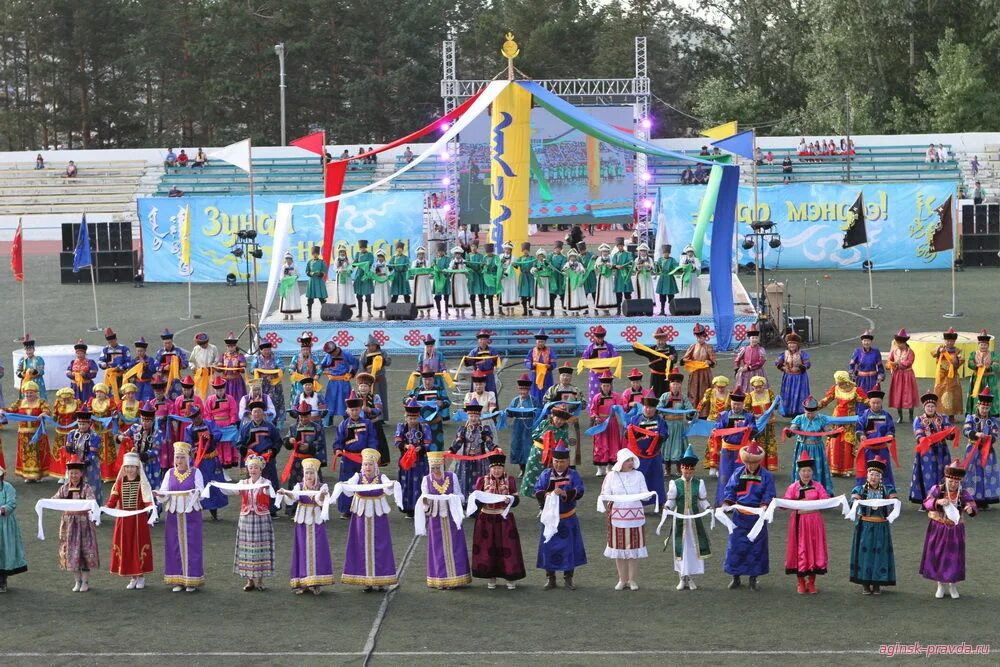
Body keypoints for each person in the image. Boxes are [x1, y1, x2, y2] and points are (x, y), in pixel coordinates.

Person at [340, 448, 398, 590]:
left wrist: (391, 484)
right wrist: (344, 485)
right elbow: (348, 489)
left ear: (375, 466)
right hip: (361, 515)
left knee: (380, 544)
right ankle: (365, 579)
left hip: (378, 515)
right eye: (365, 464)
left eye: (370, 464)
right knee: (361, 544)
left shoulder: (381, 477)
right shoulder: (357, 477)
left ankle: (381, 579)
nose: (368, 467)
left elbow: (389, 488)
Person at [919, 460, 977, 599]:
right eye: (951, 481)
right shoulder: (937, 489)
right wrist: (937, 501)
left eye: (956, 482)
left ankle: (953, 585)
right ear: (946, 479)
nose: (953, 484)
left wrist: (970, 509)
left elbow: (972, 505)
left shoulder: (962, 493)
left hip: (955, 529)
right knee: (938, 555)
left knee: (954, 557)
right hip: (938, 527)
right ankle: (940, 584)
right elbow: (926, 502)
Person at [721, 442, 775, 590]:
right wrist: (727, 503)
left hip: (757, 518)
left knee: (756, 548)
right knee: (736, 547)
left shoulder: (766, 476)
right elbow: (730, 489)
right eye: (748, 463)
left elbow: (769, 493)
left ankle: (753, 578)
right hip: (739, 516)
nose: (751, 466)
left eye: (754, 463)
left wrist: (764, 505)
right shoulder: (738, 473)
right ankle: (735, 577)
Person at [279, 457, 335, 594]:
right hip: (302, 520)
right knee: (302, 549)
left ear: (316, 474)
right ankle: (303, 581)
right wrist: (286, 493)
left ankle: (316, 582)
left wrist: (322, 495)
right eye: (306, 473)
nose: (309, 476)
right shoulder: (299, 486)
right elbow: (293, 497)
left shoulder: (322, 487)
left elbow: (321, 501)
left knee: (318, 548)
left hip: (316, 519)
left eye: (311, 473)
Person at [534, 443, 586, 589]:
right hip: (550, 519)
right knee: (548, 547)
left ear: (568, 461)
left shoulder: (573, 475)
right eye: (556, 461)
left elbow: (580, 491)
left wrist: (564, 493)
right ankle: (551, 578)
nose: (559, 464)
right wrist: (548, 494)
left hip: (568, 518)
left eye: (562, 462)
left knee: (569, 548)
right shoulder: (546, 474)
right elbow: (537, 490)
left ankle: (568, 578)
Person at [471, 451, 525, 588]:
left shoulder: (510, 480)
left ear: (503, 469)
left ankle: (510, 577)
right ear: (490, 469)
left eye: (499, 468)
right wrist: (481, 500)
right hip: (486, 518)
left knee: (507, 547)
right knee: (488, 548)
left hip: (503, 518)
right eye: (494, 468)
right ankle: (491, 577)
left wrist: (510, 500)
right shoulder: (482, 480)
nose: (496, 471)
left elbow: (516, 500)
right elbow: (475, 500)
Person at [155, 442, 204, 592]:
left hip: (191, 515)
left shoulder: (196, 472)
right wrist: (160, 495)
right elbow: (164, 492)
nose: (179, 461)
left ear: (188, 458)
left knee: (192, 546)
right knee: (173, 546)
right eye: (177, 457)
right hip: (173, 515)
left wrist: (194, 494)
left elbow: (201, 492)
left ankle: (191, 580)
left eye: (182, 457)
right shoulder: (169, 473)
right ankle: (178, 580)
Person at [419, 451, 472, 589]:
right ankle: (440, 579)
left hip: (451, 517)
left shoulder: (452, 476)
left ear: (443, 465)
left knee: (455, 546)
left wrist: (452, 498)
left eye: (438, 467)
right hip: (435, 518)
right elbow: (424, 498)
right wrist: (426, 501)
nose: (436, 470)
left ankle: (456, 577)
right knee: (437, 548)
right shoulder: (426, 479)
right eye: (433, 468)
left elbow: (460, 496)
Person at [600, 449, 649, 590]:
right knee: (619, 547)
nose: (630, 463)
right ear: (620, 462)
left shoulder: (639, 475)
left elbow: (644, 494)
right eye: (627, 460)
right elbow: (605, 493)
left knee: (634, 547)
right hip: (617, 515)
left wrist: (648, 495)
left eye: (631, 460)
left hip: (635, 515)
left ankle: (632, 580)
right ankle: (622, 579)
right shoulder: (611, 476)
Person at [783, 451, 831, 594]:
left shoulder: (817, 486)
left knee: (814, 550)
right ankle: (800, 582)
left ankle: (811, 582)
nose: (806, 473)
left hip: (814, 523)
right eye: (803, 471)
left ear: (812, 472)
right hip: (798, 523)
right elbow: (785, 504)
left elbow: (825, 499)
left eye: (809, 471)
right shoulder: (793, 487)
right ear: (799, 472)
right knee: (800, 550)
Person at [226, 454, 275, 591]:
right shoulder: (243, 483)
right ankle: (249, 580)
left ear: (261, 469)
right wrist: (217, 484)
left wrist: (267, 489)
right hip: (246, 518)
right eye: (251, 467)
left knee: (260, 548)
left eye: (255, 467)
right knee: (247, 548)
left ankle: (260, 580)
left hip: (261, 518)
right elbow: (232, 491)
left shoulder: (266, 482)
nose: (253, 470)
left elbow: (271, 494)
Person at [665, 445, 711, 590]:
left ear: (693, 470)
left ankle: (690, 577)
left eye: (691, 469)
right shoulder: (675, 483)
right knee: (680, 547)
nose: (688, 472)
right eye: (685, 468)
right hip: (679, 519)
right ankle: (681, 578)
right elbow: (671, 500)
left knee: (693, 547)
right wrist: (666, 507)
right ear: (681, 469)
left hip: (694, 519)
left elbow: (702, 500)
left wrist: (708, 508)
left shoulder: (699, 483)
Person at [106, 452, 154, 590]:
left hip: (138, 521)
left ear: (137, 467)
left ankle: (141, 576)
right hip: (123, 519)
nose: (129, 469)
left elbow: (147, 500)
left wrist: (150, 508)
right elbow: (113, 498)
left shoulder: (142, 482)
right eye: (127, 467)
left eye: (132, 467)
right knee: (126, 546)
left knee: (138, 546)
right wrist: (106, 507)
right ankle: (133, 577)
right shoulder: (120, 481)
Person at [849, 457, 897, 595]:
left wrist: (893, 501)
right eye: (871, 474)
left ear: (881, 477)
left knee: (880, 553)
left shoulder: (887, 490)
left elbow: (895, 502)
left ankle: (877, 583)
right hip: (865, 526)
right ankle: (865, 583)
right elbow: (852, 502)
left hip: (881, 526)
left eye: (877, 475)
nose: (873, 477)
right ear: (867, 475)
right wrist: (855, 500)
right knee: (865, 553)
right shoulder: (859, 489)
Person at [53, 459, 100, 591]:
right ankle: (77, 581)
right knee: (71, 552)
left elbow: (92, 503)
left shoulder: (86, 488)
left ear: (81, 474)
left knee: (84, 552)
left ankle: (85, 582)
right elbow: (55, 499)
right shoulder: (64, 488)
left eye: (76, 473)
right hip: (69, 525)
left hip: (84, 524)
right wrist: (45, 502)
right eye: (71, 473)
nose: (73, 476)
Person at [817, 371, 868, 477]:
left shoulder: (856, 390)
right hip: (836, 420)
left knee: (847, 443)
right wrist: (813, 407)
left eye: (839, 382)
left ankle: (846, 470)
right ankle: (833, 468)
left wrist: (874, 406)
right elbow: (825, 400)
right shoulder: (835, 389)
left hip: (849, 420)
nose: (838, 384)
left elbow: (866, 401)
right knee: (834, 442)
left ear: (845, 381)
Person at [184, 405, 228, 519]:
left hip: (212, 460)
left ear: (200, 414)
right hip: (200, 462)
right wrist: (193, 451)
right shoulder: (188, 429)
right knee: (200, 485)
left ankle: (215, 511)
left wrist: (211, 436)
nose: (195, 419)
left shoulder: (209, 424)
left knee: (214, 484)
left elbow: (219, 434)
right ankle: (197, 510)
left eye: (197, 416)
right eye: (192, 417)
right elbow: (188, 444)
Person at [237, 402, 282, 514]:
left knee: (270, 483)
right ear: (251, 414)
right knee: (252, 484)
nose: (257, 414)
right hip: (252, 461)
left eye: (259, 412)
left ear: (263, 414)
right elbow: (239, 443)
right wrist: (245, 450)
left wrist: (273, 450)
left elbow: (278, 441)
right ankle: (251, 506)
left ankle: (272, 509)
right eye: (254, 412)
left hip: (267, 460)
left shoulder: (270, 426)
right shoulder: (246, 428)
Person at [714, 389, 757, 504]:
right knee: (725, 475)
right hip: (727, 451)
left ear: (743, 404)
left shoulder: (748, 416)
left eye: (738, 404)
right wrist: (718, 429)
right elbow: (718, 429)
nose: (736, 406)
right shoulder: (724, 415)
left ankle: (740, 500)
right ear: (730, 403)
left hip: (742, 451)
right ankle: (724, 501)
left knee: (741, 475)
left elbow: (754, 430)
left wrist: (750, 429)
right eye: (734, 404)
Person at [910, 391, 952, 507]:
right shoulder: (919, 419)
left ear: (935, 407)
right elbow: (919, 434)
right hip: (926, 453)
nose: (930, 408)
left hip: (942, 451)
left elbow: (948, 432)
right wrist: (924, 439)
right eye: (928, 406)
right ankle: (928, 502)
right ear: (924, 407)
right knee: (927, 476)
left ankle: (942, 500)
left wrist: (951, 434)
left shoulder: (943, 418)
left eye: (932, 406)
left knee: (943, 474)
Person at [785, 396, 835, 495]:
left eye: (812, 413)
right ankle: (798, 492)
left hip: (817, 448)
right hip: (803, 447)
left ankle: (821, 492)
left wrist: (834, 433)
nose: (810, 415)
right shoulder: (799, 418)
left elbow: (828, 430)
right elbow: (793, 429)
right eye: (808, 413)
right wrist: (789, 432)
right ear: (804, 410)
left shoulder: (821, 419)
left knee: (817, 468)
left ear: (816, 411)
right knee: (802, 469)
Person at [522, 406, 573, 496]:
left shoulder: (564, 429)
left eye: (562, 420)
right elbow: (534, 434)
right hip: (537, 452)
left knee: (548, 474)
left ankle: (545, 492)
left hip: (552, 455)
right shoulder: (544, 423)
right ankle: (530, 491)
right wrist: (542, 437)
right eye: (558, 418)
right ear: (552, 416)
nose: (559, 421)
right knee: (532, 472)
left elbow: (565, 443)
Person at [6, 380, 51, 481]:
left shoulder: (41, 402)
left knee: (38, 453)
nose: (28, 394)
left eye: (31, 392)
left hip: (37, 433)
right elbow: (10, 410)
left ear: (36, 393)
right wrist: (3, 411)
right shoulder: (20, 402)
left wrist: (44, 414)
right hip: (23, 435)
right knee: (26, 454)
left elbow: (47, 411)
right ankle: (28, 476)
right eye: (26, 392)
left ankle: (38, 475)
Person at [626, 397, 666, 508]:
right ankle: (637, 503)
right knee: (638, 480)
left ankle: (660, 502)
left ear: (655, 409)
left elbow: (664, 435)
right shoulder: (635, 419)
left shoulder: (660, 421)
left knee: (657, 480)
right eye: (646, 407)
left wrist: (658, 437)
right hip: (638, 457)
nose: (648, 410)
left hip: (654, 456)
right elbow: (627, 434)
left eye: (651, 407)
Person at [962, 388, 999, 508]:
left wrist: (989, 438)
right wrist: (976, 434)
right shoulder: (971, 418)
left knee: (986, 473)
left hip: (987, 451)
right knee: (972, 473)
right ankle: (972, 498)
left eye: (987, 408)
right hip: (973, 450)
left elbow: (995, 434)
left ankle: (985, 499)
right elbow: (966, 430)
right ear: (978, 406)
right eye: (982, 408)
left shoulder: (992, 421)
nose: (984, 410)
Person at [450, 400, 495, 494]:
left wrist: (495, 448)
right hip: (466, 460)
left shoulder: (484, 429)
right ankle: (465, 500)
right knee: (465, 480)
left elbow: (489, 442)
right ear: (468, 416)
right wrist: (452, 450)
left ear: (479, 417)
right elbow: (458, 442)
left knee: (479, 481)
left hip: (480, 461)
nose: (473, 418)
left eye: (476, 416)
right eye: (471, 416)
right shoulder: (463, 429)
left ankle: (480, 500)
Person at [854, 389, 897, 487]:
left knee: (884, 470)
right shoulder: (864, 415)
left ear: (881, 403)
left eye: (878, 403)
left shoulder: (886, 415)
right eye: (873, 403)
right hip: (868, 449)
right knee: (867, 470)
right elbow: (859, 428)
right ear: (869, 402)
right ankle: (863, 491)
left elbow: (891, 429)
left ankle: (887, 491)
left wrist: (890, 435)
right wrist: (861, 435)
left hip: (882, 449)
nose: (876, 405)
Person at [117, 401, 162, 489]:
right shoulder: (135, 428)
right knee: (136, 488)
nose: (145, 423)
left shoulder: (157, 433)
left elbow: (155, 451)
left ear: (153, 421)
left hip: (151, 465)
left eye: (148, 421)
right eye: (143, 420)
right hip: (135, 464)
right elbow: (124, 435)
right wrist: (119, 437)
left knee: (150, 488)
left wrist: (140, 455)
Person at [590, 370, 624, 476]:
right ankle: (600, 467)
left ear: (611, 386)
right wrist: (595, 417)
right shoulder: (597, 397)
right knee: (600, 445)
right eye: (604, 386)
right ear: (601, 386)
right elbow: (593, 410)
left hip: (612, 423)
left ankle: (610, 467)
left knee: (613, 444)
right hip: (600, 424)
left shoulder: (615, 397)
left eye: (608, 386)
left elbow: (620, 408)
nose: (606, 388)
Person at [0, 463, 28, 592]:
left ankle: (2, 580)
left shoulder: (8, 487)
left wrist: (3, 509)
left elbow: (12, 503)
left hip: (5, 524)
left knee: (5, 550)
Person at [506, 375, 540, 472]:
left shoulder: (533, 400)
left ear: (528, 390)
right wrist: (508, 412)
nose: (523, 392)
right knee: (517, 445)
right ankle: (522, 468)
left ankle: (529, 467)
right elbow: (510, 413)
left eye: (525, 390)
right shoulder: (515, 400)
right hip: (518, 425)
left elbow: (539, 412)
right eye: (521, 389)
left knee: (528, 446)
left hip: (529, 425)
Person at [699, 375, 731, 475]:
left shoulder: (730, 395)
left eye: (722, 387)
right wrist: (695, 413)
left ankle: (721, 466)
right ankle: (712, 465)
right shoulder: (710, 392)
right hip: (712, 422)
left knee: (723, 444)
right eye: (718, 387)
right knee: (712, 444)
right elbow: (702, 403)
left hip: (725, 423)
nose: (720, 388)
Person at [250, 341, 285, 431]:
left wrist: (274, 374)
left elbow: (282, 368)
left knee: (275, 402)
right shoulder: (257, 359)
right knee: (262, 402)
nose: (267, 351)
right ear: (261, 350)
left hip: (273, 384)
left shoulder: (276, 358)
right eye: (265, 350)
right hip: (261, 385)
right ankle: (263, 421)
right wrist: (259, 372)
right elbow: (251, 370)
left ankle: (277, 422)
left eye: (268, 349)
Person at [887, 328, 919, 423]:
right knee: (898, 394)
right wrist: (889, 365)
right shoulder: (894, 351)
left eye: (900, 343)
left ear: (904, 342)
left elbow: (908, 363)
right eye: (897, 343)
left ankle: (910, 416)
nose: (899, 345)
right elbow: (889, 360)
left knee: (909, 394)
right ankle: (900, 417)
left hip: (907, 375)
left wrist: (897, 363)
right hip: (897, 375)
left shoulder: (910, 352)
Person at [748, 376, 779, 471]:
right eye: (756, 387)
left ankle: (770, 465)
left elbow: (775, 405)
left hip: (769, 424)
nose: (758, 389)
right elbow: (746, 410)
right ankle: (759, 466)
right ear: (752, 387)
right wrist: (755, 416)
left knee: (770, 444)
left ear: (763, 386)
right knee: (759, 445)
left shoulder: (769, 393)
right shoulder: (749, 396)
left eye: (760, 387)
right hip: (758, 426)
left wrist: (777, 403)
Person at [966, 329, 999, 417]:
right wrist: (977, 366)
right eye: (981, 344)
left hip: (990, 379)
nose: (983, 346)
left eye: (985, 345)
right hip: (977, 379)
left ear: (988, 345)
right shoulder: (973, 354)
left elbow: (997, 365)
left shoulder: (993, 355)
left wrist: (988, 367)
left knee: (990, 395)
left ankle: (992, 413)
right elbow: (970, 363)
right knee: (976, 395)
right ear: (978, 345)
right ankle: (975, 411)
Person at [932, 328, 964, 417]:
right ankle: (939, 413)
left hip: (953, 377)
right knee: (939, 393)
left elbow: (960, 362)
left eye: (952, 341)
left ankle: (951, 415)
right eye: (947, 340)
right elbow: (932, 353)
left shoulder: (958, 351)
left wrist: (954, 359)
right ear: (944, 340)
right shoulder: (940, 348)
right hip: (941, 376)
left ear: (954, 341)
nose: (949, 342)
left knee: (953, 394)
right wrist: (939, 350)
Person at [684, 323, 716, 407]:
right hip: (694, 373)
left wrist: (709, 362)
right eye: (698, 338)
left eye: (701, 338)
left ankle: (704, 411)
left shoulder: (708, 347)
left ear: (705, 337)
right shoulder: (693, 346)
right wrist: (686, 361)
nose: (699, 340)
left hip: (705, 374)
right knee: (693, 391)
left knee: (704, 391)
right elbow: (685, 357)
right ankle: (692, 409)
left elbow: (714, 361)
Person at [155, 329, 189, 399]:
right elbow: (155, 365)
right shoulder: (160, 352)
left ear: (172, 341)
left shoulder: (178, 351)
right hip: (164, 378)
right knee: (165, 395)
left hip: (176, 377)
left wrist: (180, 364)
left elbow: (186, 363)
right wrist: (163, 367)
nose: (167, 345)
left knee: (178, 395)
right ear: (163, 343)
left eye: (169, 343)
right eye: (165, 343)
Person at [524, 331, 556, 404]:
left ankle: (547, 408)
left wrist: (550, 366)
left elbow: (554, 363)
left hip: (547, 376)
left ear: (545, 342)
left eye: (542, 342)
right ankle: (535, 407)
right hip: (535, 376)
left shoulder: (550, 351)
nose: (540, 343)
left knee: (547, 392)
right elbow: (527, 361)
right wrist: (532, 365)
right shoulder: (532, 351)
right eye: (539, 342)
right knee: (535, 392)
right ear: (536, 342)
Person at [464, 331, 500, 395]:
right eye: (481, 339)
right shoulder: (474, 351)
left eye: (484, 339)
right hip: (477, 377)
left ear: (487, 340)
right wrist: (466, 359)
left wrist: (496, 359)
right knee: (476, 395)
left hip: (489, 377)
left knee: (490, 394)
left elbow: (497, 363)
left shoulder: (492, 350)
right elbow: (468, 363)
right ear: (478, 341)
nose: (482, 341)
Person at [287, 334, 317, 407]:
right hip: (299, 381)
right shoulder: (296, 357)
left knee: (313, 398)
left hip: (311, 380)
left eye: (307, 349)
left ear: (310, 349)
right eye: (304, 350)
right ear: (301, 350)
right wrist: (293, 372)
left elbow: (319, 367)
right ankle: (297, 412)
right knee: (299, 397)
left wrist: (318, 374)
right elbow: (291, 368)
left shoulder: (314, 357)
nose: (306, 351)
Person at [733, 328, 767, 393]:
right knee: (745, 387)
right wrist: (737, 368)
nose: (755, 340)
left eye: (756, 338)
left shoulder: (761, 350)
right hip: (746, 372)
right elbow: (737, 358)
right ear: (749, 339)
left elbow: (761, 362)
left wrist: (749, 368)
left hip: (757, 372)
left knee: (758, 387)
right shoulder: (744, 349)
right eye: (753, 338)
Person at [301, 245, 328, 320]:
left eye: (316, 253)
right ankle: (309, 314)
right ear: (312, 254)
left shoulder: (322, 262)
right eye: (313, 253)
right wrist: (310, 273)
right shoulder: (309, 262)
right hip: (312, 281)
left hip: (319, 281)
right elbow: (307, 271)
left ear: (318, 254)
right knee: (310, 299)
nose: (315, 254)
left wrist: (320, 273)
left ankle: (324, 313)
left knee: (322, 299)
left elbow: (324, 270)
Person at [16, 334, 47, 400]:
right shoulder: (22, 360)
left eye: (30, 350)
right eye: (27, 350)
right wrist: (22, 374)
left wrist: (33, 372)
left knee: (38, 400)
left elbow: (41, 371)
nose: (28, 352)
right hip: (26, 383)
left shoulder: (38, 359)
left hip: (37, 382)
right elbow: (18, 371)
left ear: (33, 350)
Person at [352, 239, 376, 318]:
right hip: (359, 275)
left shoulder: (370, 255)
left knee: (367, 294)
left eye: (364, 247)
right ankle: (360, 313)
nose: (362, 249)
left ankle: (369, 311)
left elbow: (370, 263)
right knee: (359, 296)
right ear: (359, 248)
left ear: (366, 247)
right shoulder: (357, 254)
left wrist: (362, 264)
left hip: (366, 275)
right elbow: (354, 263)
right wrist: (349, 267)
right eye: (361, 248)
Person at [610, 237, 634, 313]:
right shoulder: (615, 255)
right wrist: (616, 266)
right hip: (619, 276)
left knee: (627, 293)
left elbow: (631, 262)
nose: (620, 247)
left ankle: (629, 308)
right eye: (619, 246)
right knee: (618, 293)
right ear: (617, 247)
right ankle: (618, 309)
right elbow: (612, 265)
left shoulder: (628, 254)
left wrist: (624, 266)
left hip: (626, 275)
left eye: (621, 245)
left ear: (623, 246)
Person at [409, 247, 434, 317]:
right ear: (417, 255)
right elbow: (412, 271)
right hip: (418, 280)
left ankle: (428, 311)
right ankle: (421, 311)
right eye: (419, 254)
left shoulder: (427, 262)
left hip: (425, 279)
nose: (421, 255)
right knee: (419, 294)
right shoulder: (414, 262)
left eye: (422, 254)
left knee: (427, 294)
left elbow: (430, 271)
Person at [592, 244, 617, 315]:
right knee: (601, 292)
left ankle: (607, 308)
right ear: (601, 252)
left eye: (606, 251)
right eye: (603, 252)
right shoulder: (599, 258)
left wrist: (610, 265)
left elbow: (613, 266)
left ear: (608, 252)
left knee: (608, 291)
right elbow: (595, 267)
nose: (605, 253)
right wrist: (598, 265)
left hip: (609, 278)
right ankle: (598, 307)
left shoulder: (610, 258)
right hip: (602, 278)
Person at [654, 244, 679, 315]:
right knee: (662, 296)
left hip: (670, 278)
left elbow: (675, 268)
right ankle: (662, 310)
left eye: (667, 253)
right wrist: (656, 266)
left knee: (671, 295)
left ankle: (672, 310)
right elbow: (656, 269)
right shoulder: (660, 260)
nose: (666, 254)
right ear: (663, 253)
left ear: (669, 253)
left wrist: (673, 269)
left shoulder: (672, 260)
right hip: (662, 278)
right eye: (664, 253)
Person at [448, 246, 471, 317]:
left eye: (458, 253)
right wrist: (451, 269)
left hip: (462, 279)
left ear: (461, 254)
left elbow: (467, 270)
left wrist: (466, 271)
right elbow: (449, 269)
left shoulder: (464, 261)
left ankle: (463, 310)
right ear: (454, 254)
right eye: (456, 254)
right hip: (455, 279)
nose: (457, 255)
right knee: (456, 294)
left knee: (463, 293)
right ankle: (457, 310)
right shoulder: (452, 262)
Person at [278, 252, 302, 320]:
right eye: (286, 259)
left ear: (291, 259)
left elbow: (298, 275)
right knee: (286, 299)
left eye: (289, 259)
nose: (288, 260)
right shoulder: (284, 266)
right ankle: (286, 315)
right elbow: (281, 276)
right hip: (286, 285)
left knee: (292, 299)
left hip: (293, 286)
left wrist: (293, 278)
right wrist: (284, 279)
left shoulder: (295, 266)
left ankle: (291, 314)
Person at [329, 242, 353, 308]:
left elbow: (352, 267)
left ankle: (348, 304)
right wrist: (339, 270)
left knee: (347, 289)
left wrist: (348, 270)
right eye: (341, 251)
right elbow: (334, 268)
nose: (342, 253)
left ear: (345, 252)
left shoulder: (349, 259)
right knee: (340, 290)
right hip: (340, 277)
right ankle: (340, 304)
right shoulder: (337, 259)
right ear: (339, 252)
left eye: (343, 251)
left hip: (347, 277)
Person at [370, 249, 391, 316]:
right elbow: (372, 273)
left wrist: (385, 274)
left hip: (385, 282)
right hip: (378, 282)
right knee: (379, 295)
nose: (380, 258)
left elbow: (390, 272)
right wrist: (376, 275)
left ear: (384, 257)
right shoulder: (374, 265)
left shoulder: (387, 264)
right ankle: (380, 312)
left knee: (385, 294)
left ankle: (386, 311)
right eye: (379, 256)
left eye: (381, 256)